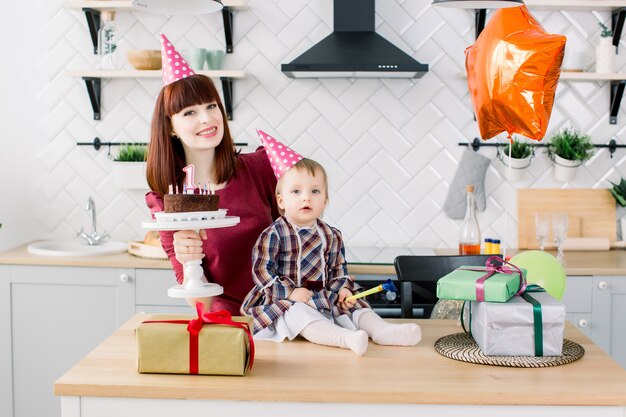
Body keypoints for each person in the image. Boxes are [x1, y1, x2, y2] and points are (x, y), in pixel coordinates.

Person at [242, 131, 421, 356]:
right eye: (296, 191)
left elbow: (337, 270)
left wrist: (343, 289)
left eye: (315, 191)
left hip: (324, 296)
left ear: (325, 200)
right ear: (281, 201)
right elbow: (261, 272)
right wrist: (290, 292)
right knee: (299, 314)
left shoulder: (331, 235)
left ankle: (382, 331)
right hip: (286, 300)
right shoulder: (274, 234)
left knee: (355, 304)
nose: (306, 197)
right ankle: (344, 338)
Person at [145, 34, 279, 315]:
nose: (206, 119)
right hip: (230, 324)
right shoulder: (167, 202)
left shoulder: (260, 168)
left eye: (211, 106)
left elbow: (301, 232)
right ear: (170, 127)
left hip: (287, 310)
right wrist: (187, 261)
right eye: (189, 112)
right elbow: (200, 305)